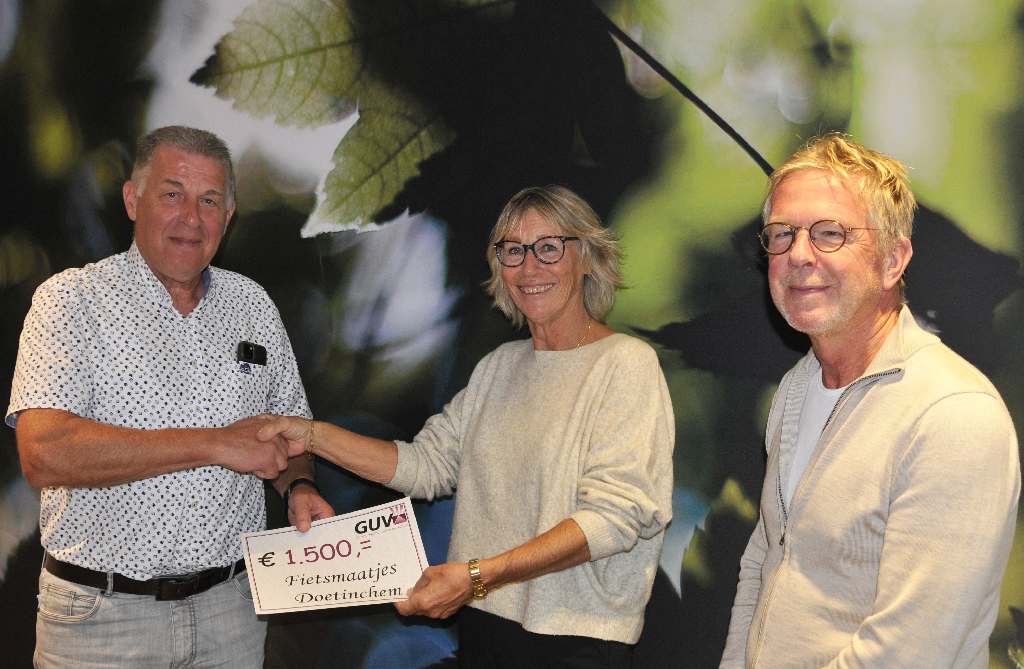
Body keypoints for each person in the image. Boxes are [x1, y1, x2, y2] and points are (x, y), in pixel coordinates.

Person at [259, 185, 675, 667]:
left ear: (587, 258)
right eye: (513, 251)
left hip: (574, 646)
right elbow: (424, 466)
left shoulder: (625, 363)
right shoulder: (498, 367)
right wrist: (311, 435)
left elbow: (613, 519)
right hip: (483, 635)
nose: (529, 267)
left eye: (548, 248)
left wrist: (478, 576)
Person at [6, 125, 334, 668]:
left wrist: (298, 485)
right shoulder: (70, 299)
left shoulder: (253, 305)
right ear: (133, 200)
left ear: (229, 216)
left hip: (232, 612)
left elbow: (292, 434)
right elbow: (44, 453)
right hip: (100, 620)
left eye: (209, 200)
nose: (191, 218)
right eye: (172, 194)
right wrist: (215, 443)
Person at [720, 134, 1020, 668]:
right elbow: (762, 565)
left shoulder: (954, 414)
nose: (798, 255)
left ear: (892, 260)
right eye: (782, 234)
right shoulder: (796, 388)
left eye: (830, 233)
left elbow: (909, 652)